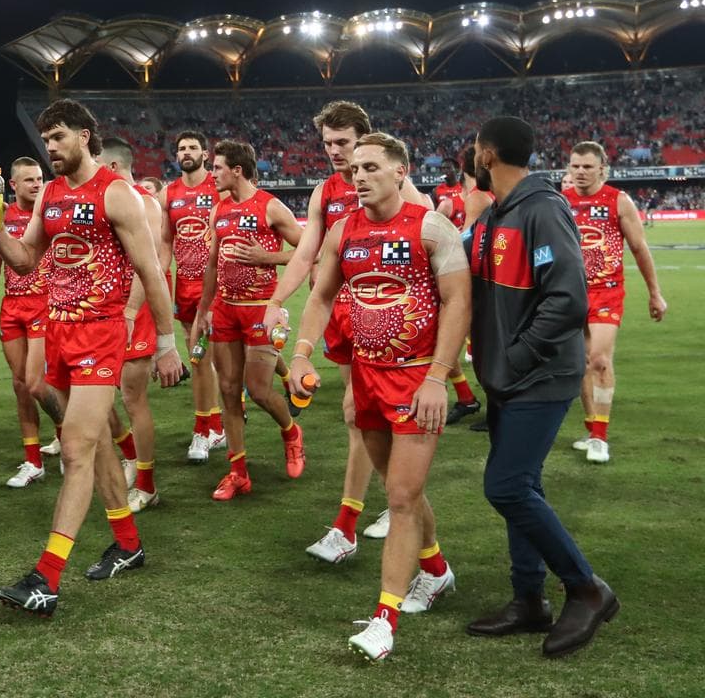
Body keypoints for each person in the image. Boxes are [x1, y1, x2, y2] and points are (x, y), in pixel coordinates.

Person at [0, 99, 181, 617]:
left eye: (60, 138)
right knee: (95, 446)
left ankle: (46, 577)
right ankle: (128, 542)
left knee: (74, 448)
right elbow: (25, 263)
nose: (50, 148)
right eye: (46, 140)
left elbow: (152, 271)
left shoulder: (117, 194)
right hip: (60, 333)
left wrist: (166, 342)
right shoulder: (48, 194)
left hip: (100, 335)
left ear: (86, 137)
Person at [290, 132, 468, 662]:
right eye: (355, 170)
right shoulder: (344, 230)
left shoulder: (432, 227)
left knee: (400, 499)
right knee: (400, 490)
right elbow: (322, 296)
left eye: (371, 167)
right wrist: (301, 353)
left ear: (400, 170)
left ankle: (384, 620)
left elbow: (459, 304)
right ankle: (436, 571)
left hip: (417, 382)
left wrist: (438, 378)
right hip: (366, 380)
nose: (359, 176)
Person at [463, 116, 619, 659]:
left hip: (540, 376)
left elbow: (568, 299)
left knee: (506, 487)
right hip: (507, 376)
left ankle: (587, 588)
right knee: (523, 487)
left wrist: (516, 354)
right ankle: (529, 599)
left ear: (487, 154)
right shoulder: (498, 212)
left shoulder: (542, 208)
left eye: (474, 149)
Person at [262, 101, 432, 561]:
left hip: (391, 326)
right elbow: (305, 255)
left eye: (345, 143)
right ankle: (381, 508)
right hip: (344, 317)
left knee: (363, 415)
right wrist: (276, 302)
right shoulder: (325, 192)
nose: (336, 152)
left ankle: (353, 522)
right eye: (329, 144)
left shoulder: (408, 195)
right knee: (361, 416)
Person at [190, 139, 305, 501]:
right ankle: (237, 471)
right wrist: (204, 310)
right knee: (228, 390)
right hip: (225, 308)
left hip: (261, 308)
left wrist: (266, 256)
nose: (213, 174)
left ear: (237, 170)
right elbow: (212, 264)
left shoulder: (270, 207)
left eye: (218, 167)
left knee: (257, 390)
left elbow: (306, 251)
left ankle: (290, 432)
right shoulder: (219, 210)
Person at [562, 141, 668, 464]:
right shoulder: (559, 202)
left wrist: (655, 292)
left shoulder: (618, 201)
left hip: (606, 291)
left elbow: (639, 248)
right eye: (575, 166)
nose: (580, 172)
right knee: (577, 364)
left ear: (602, 169)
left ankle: (600, 438)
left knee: (599, 360)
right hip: (570, 292)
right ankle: (591, 428)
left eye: (587, 167)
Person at [0, 158, 64, 488]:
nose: (37, 184)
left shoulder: (51, 213)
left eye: (39, 178)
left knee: (37, 382)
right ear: (12, 185)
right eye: (28, 180)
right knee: (21, 386)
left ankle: (67, 435)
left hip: (44, 305)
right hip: (12, 308)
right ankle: (32, 461)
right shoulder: (3, 216)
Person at [99, 136, 167, 512]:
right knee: (93, 394)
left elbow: (150, 267)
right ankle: (128, 453)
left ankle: (146, 484)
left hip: (132, 312)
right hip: (101, 311)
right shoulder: (105, 198)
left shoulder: (144, 202)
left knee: (132, 397)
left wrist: (129, 313)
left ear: (110, 167)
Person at [157, 130, 225, 462]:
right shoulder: (169, 193)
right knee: (199, 356)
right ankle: (215, 426)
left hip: (217, 285)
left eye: (193, 147)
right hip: (185, 286)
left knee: (204, 359)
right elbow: (166, 240)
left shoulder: (218, 187)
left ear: (205, 153)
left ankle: (204, 431)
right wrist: (159, 270)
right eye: (182, 148)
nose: (186, 152)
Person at [435, 145, 492, 428]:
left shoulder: (477, 198)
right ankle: (468, 398)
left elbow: (467, 241)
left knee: (476, 344)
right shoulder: (477, 196)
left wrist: (442, 242)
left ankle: (493, 408)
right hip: (481, 278)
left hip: (473, 280)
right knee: (452, 338)